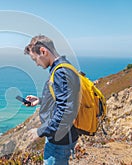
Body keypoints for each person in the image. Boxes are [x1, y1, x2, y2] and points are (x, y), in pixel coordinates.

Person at [23, 35, 80, 165]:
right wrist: (41, 100)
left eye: (35, 59)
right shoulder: (65, 66)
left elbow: (65, 111)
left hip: (59, 140)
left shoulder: (60, 72)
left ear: (43, 51)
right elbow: (65, 99)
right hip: (64, 135)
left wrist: (40, 131)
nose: (36, 64)